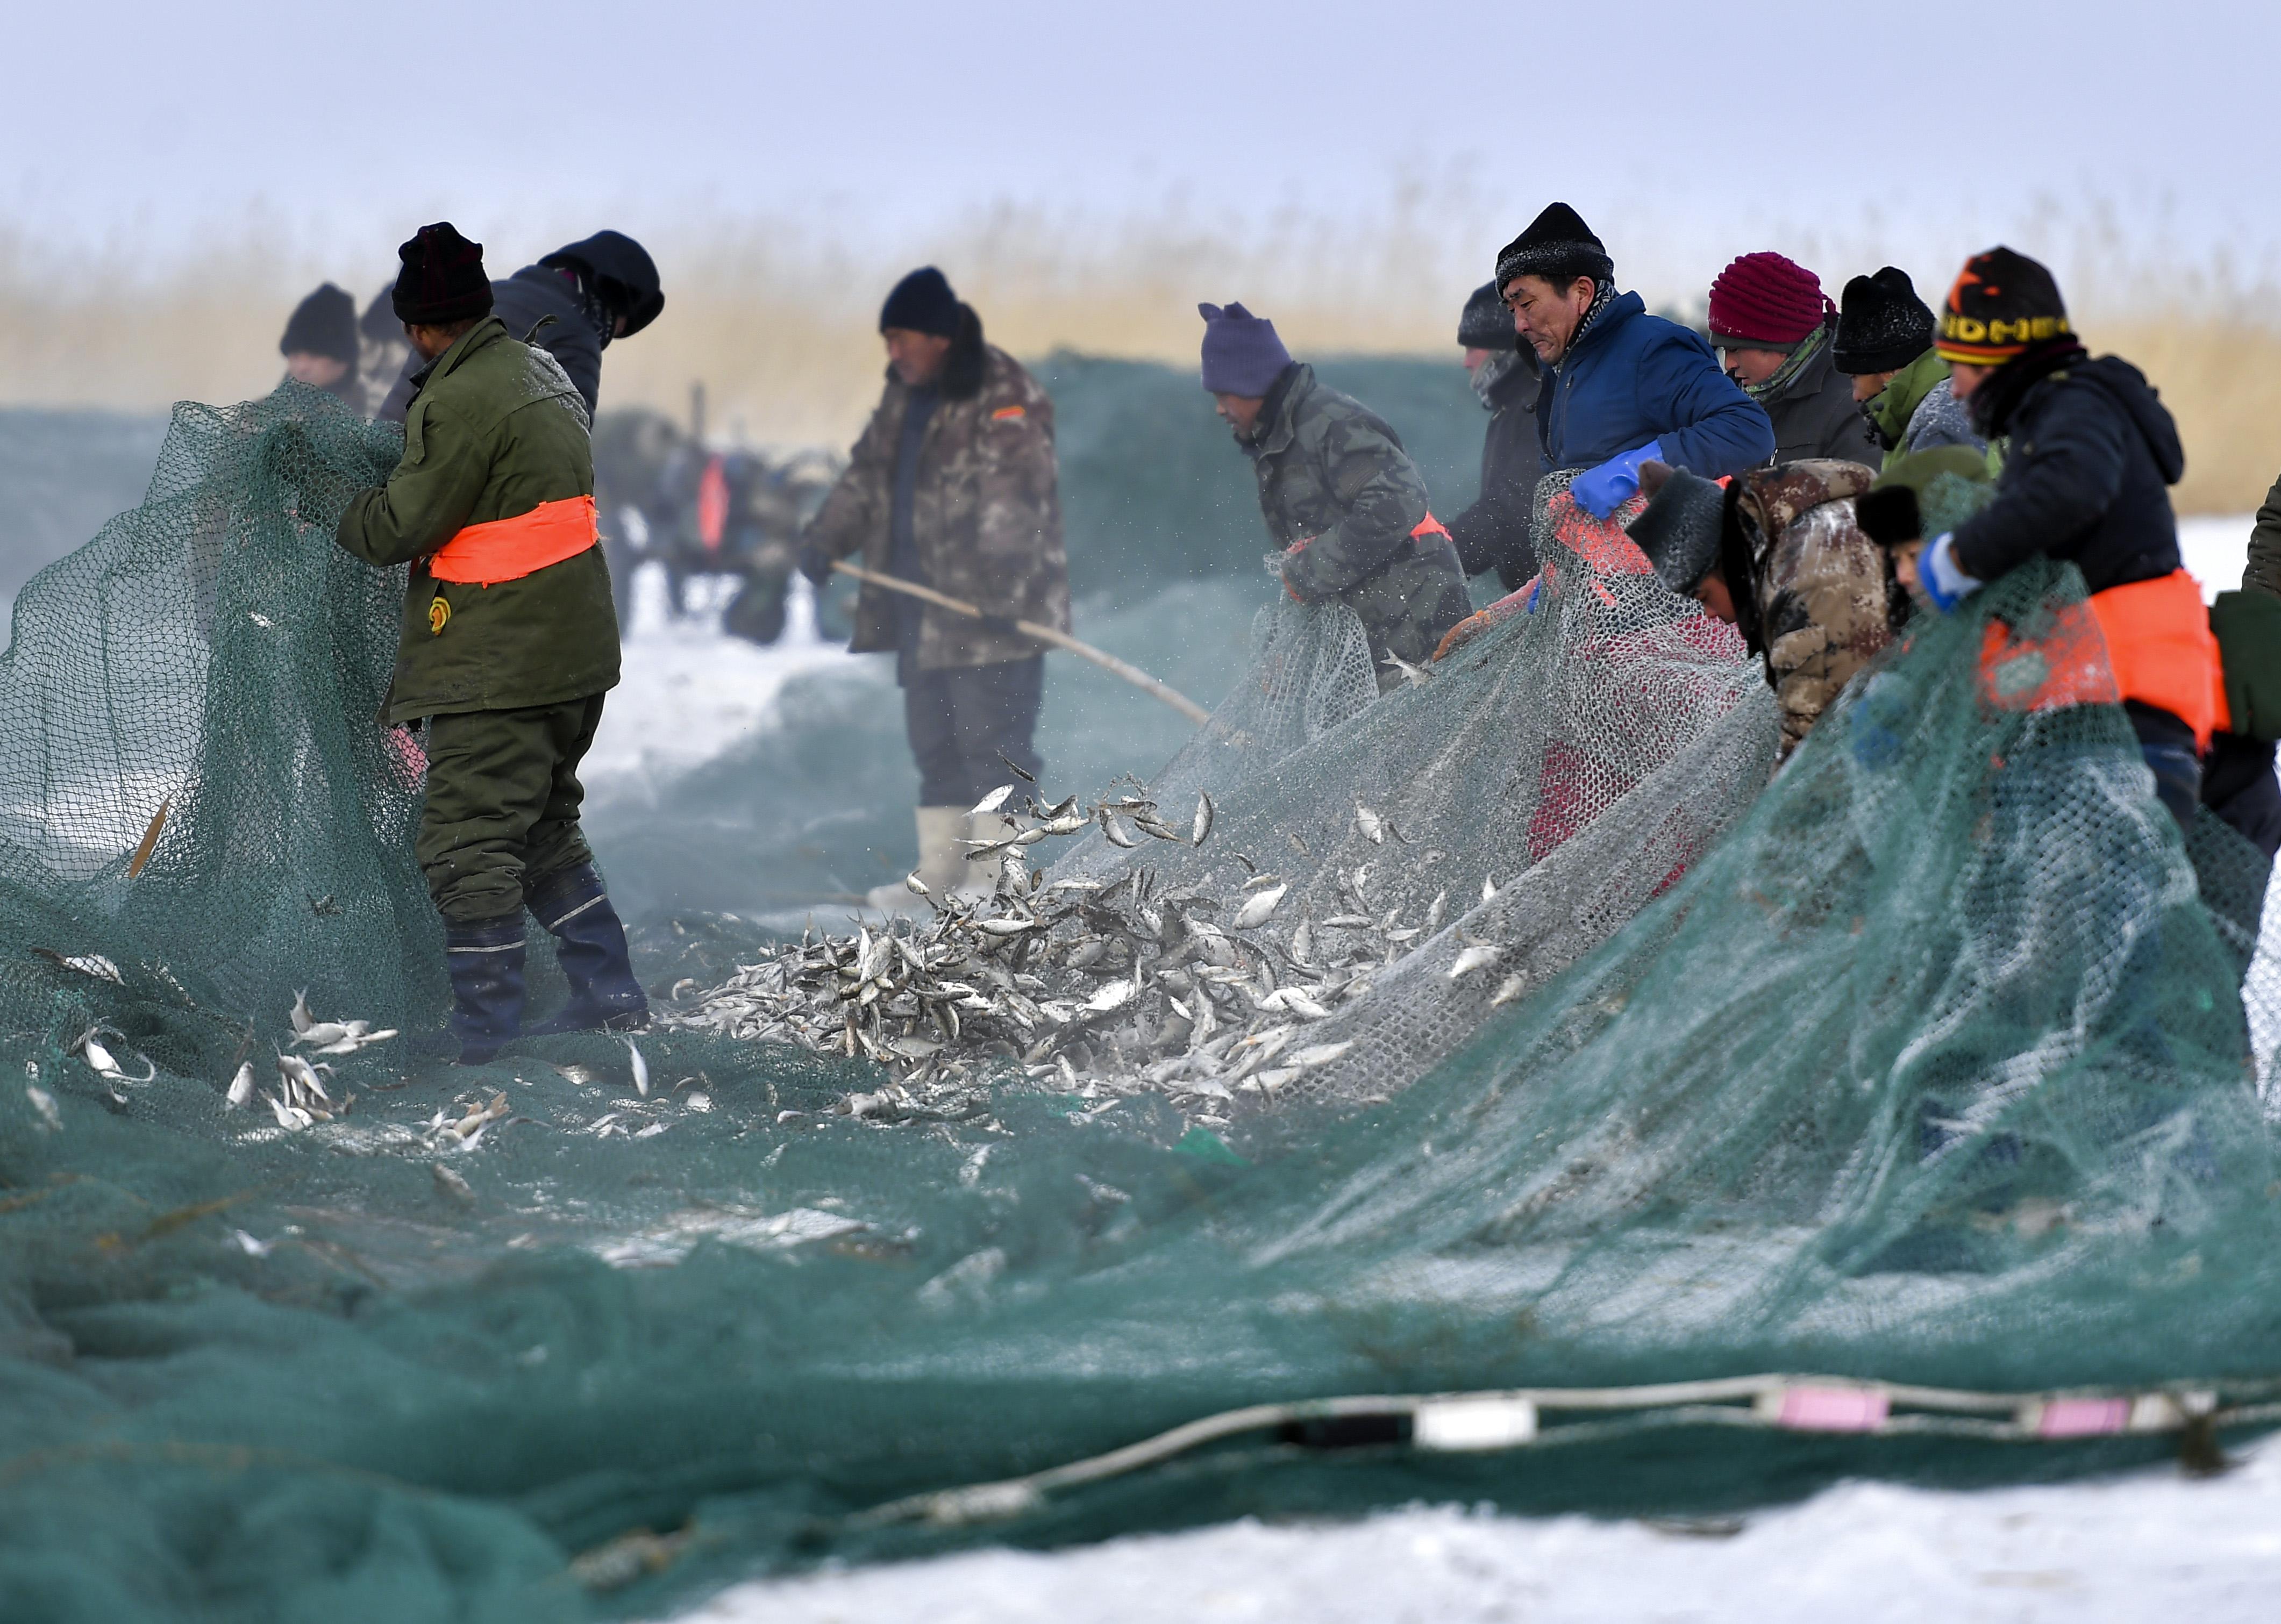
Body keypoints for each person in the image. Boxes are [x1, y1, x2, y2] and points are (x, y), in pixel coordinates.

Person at [329, 223, 643, 1062]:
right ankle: (609, 994)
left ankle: (485, 1033)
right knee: (540, 828)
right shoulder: (543, 367)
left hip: (502, 663)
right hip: (571, 654)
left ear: (423, 328)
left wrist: (330, 504)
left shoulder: (459, 396)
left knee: (465, 842)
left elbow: (400, 524)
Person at [1915, 247, 2220, 827]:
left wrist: (1957, 558)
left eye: (1962, 367)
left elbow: (2071, 490)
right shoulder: (2064, 411)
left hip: (2123, 729)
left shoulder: (2074, 405)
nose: (1954, 390)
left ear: (2001, 358)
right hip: (2109, 718)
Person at [799, 267, 1070, 914]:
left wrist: (998, 588)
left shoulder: (1002, 390)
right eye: (887, 340)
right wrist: (825, 538)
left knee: (995, 751)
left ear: (940, 336)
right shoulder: (903, 395)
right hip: (921, 613)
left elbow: (1017, 493)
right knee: (936, 747)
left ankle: (996, 885)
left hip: (989, 615)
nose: (892, 352)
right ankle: (941, 877)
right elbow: (866, 476)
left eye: (902, 338)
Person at [1199, 301, 1471, 691]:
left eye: (1224, 393)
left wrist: (1308, 572)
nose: (1220, 409)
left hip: (1417, 626)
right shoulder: (1281, 441)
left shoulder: (1329, 424)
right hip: (1373, 636)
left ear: (1252, 381)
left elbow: (1398, 501)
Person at [1496, 203, 1773, 518]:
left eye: (1527, 304)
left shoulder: (1651, 348)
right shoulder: (1558, 367)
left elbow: (1748, 429)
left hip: (1665, 564)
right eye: (1512, 310)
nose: (1519, 324)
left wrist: (1635, 470)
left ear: (1582, 292)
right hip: (1589, 565)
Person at [1629, 457, 1890, 756]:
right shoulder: (1797, 535)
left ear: (1725, 564)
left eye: (1703, 598)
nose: (1710, 615)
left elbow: (1811, 748)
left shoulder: (1807, 581)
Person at [375, 230, 664, 422]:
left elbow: (402, 400)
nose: (610, 336)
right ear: (615, 303)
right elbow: (566, 451)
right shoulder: (577, 335)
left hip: (389, 475)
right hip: (462, 502)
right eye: (619, 327)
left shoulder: (482, 296)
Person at [1707, 252, 1880, 467]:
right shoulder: (1727, 403)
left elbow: (1862, 493)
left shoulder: (1853, 408)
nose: (1728, 364)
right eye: (1723, 350)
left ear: (1778, 344)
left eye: (1735, 349)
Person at [1832, 267, 1985, 471]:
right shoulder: (1943, 407)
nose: (1856, 396)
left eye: (1855, 377)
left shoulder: (1939, 425)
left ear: (1890, 371)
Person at [1446, 281, 1545, 591]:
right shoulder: (1511, 407)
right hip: (1536, 598)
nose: (1466, 362)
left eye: (1473, 348)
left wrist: (1437, 551)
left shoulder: (1537, 406)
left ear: (1504, 350)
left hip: (1560, 601)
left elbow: (1513, 512)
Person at [278, 283, 360, 405]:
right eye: (295, 356)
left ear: (343, 362)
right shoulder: (258, 416)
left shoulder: (378, 415)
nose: (302, 368)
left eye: (314, 356)